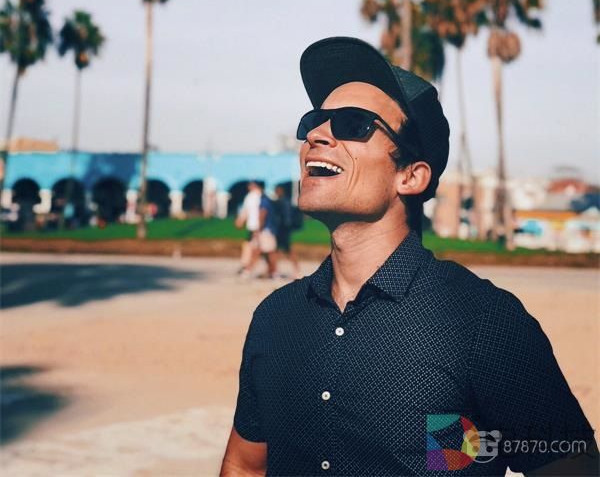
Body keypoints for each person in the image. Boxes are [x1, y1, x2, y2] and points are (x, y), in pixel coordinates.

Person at [220, 37, 597, 476]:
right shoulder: (275, 317)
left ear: (411, 176)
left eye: (353, 124)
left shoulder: (482, 320)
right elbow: (244, 465)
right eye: (314, 122)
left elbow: (572, 465)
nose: (317, 136)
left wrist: (460, 450)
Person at [273, 185, 301, 280]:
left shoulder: (282, 202)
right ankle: (295, 271)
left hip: (282, 230)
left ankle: (275, 271)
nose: (276, 192)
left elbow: (284, 218)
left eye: (277, 190)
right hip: (285, 229)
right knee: (284, 250)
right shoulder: (286, 201)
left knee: (284, 250)